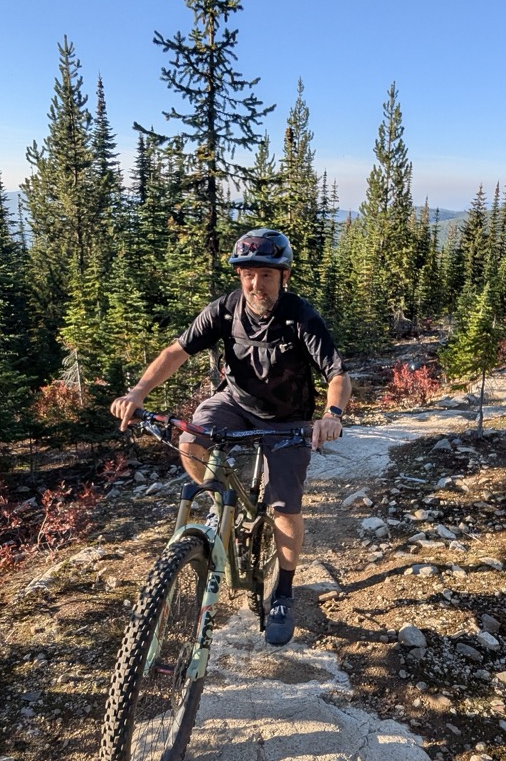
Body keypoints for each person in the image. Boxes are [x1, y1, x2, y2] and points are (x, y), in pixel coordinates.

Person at [110, 229, 351, 647]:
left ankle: (284, 591)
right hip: (234, 403)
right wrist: (137, 393)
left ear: (284, 276)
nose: (255, 284)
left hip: (289, 420)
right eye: (247, 275)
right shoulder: (225, 310)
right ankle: (219, 501)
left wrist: (331, 415)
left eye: (266, 275)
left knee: (284, 508)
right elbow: (175, 352)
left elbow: (337, 375)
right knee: (191, 440)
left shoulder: (301, 316)